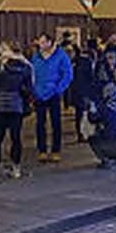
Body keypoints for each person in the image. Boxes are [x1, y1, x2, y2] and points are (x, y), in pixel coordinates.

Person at [0, 40, 34, 179]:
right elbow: (29, 89)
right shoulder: (26, 66)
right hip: (16, 106)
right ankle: (16, 167)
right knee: (16, 138)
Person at [31, 32, 74, 163]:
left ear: (50, 42)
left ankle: (56, 150)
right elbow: (32, 73)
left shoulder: (60, 56)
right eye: (40, 42)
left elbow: (68, 74)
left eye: (44, 42)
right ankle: (42, 150)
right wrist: (33, 90)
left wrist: (58, 89)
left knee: (56, 122)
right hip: (39, 94)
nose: (41, 45)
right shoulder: (36, 56)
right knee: (40, 123)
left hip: (53, 93)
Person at [87, 84, 116, 169]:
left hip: (112, 139)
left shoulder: (103, 106)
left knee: (93, 139)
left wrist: (92, 109)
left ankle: (106, 160)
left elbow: (92, 119)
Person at [70, 40, 99, 142]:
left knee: (79, 114)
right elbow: (90, 78)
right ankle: (84, 133)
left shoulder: (76, 62)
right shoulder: (87, 63)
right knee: (84, 113)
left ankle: (80, 133)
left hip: (77, 91)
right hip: (84, 91)